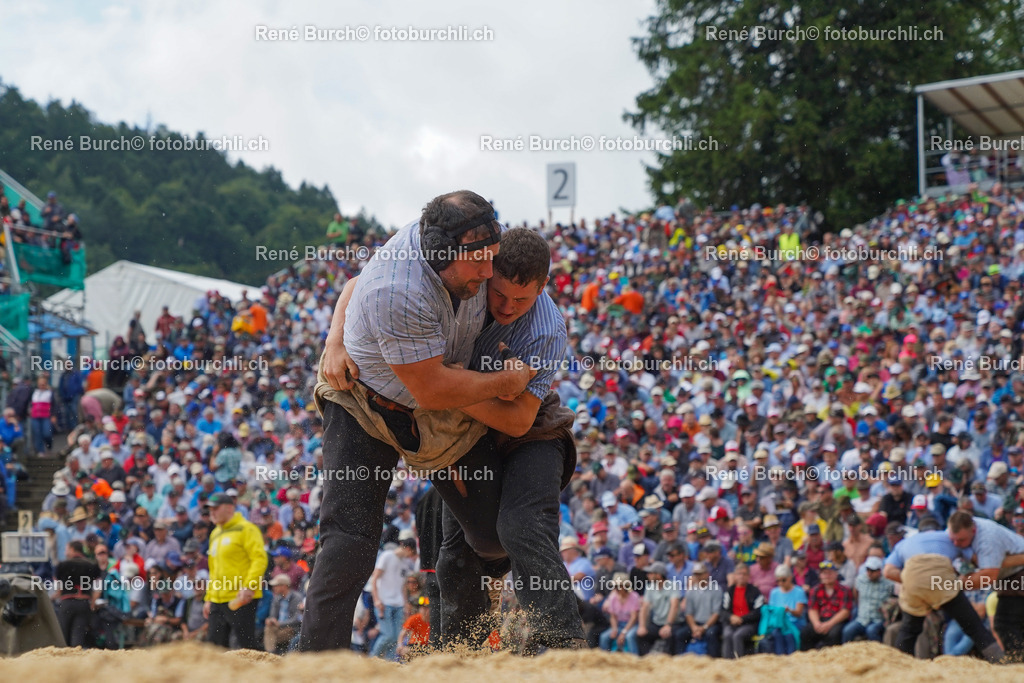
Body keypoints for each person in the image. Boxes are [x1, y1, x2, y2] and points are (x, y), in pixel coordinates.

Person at [298, 192, 532, 653]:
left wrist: (334, 336)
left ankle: (460, 651)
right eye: (477, 264)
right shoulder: (398, 286)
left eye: (492, 258)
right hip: (366, 399)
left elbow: (353, 284)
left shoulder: (454, 247)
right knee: (351, 538)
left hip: (441, 402)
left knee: (491, 534)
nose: (488, 273)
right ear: (441, 255)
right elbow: (433, 389)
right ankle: (316, 663)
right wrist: (503, 382)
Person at [882, 526, 1004, 662]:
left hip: (913, 577)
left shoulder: (904, 543)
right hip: (940, 578)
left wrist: (917, 582)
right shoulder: (952, 539)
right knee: (974, 627)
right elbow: (976, 561)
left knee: (909, 630)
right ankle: (1000, 660)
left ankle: (899, 666)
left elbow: (888, 572)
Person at [947, 511, 1024, 659]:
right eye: (953, 540)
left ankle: (1018, 663)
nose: (956, 544)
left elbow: (988, 576)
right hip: (1009, 575)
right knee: (1011, 623)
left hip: (1017, 574)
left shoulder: (988, 539)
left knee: (1005, 622)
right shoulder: (956, 532)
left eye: (961, 540)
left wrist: (956, 584)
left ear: (973, 530)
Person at [202, 492, 268, 650]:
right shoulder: (215, 533)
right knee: (214, 646)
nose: (212, 512)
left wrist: (249, 586)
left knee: (246, 644)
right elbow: (214, 569)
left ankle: (272, 670)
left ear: (230, 508)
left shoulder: (247, 529)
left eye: (215, 508)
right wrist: (208, 597)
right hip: (218, 598)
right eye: (210, 509)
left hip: (241, 597)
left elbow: (259, 559)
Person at [370, 538, 418, 660]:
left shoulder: (404, 563)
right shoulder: (387, 556)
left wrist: (406, 603)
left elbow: (402, 587)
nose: (409, 557)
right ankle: (372, 659)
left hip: (399, 604)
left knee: (396, 638)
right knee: (388, 635)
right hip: (384, 602)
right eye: (410, 553)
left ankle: (391, 664)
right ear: (408, 549)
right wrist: (376, 599)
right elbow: (375, 578)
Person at [53, 540, 102, 647]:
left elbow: (58, 587)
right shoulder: (92, 564)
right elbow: (98, 587)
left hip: (67, 602)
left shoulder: (62, 565)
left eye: (67, 550)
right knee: (78, 636)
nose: (66, 553)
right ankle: (76, 661)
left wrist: (56, 596)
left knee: (63, 635)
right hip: (83, 603)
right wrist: (93, 603)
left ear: (72, 549)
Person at [635, 562, 685, 655]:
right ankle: (647, 660)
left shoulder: (672, 586)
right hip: (657, 623)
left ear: (658, 575)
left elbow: (674, 606)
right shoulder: (650, 587)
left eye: (650, 573)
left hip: (673, 623)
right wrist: (642, 626)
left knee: (671, 636)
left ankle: (671, 662)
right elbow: (644, 608)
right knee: (641, 636)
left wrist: (668, 625)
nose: (647, 575)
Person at [801, 560, 852, 649]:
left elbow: (845, 612)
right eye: (824, 573)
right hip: (820, 619)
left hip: (837, 621)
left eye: (830, 573)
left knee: (834, 634)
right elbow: (812, 609)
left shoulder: (845, 590)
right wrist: (816, 623)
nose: (827, 576)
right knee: (805, 632)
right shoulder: (815, 590)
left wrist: (828, 624)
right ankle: (807, 658)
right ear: (820, 575)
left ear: (836, 574)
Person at [841, 556, 893, 643]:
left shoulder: (888, 584)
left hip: (878, 619)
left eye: (873, 570)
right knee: (847, 631)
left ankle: (879, 653)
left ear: (879, 571)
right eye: (868, 570)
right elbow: (856, 593)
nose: (869, 573)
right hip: (862, 618)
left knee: (872, 631)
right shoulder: (860, 580)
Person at [680, 561, 724, 656]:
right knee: (679, 634)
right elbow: (688, 613)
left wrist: (703, 628)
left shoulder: (716, 589)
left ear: (707, 574)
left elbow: (716, 613)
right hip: (696, 623)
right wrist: (694, 627)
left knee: (711, 634)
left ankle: (713, 660)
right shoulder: (690, 591)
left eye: (700, 574)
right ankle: (678, 660)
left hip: (711, 624)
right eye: (696, 574)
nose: (698, 577)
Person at [720, 561, 763, 658]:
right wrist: (731, 617)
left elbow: (757, 612)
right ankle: (727, 662)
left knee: (737, 635)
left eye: (744, 574)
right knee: (727, 635)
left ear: (748, 576)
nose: (742, 576)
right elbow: (723, 610)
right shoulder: (729, 591)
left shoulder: (755, 591)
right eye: (739, 574)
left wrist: (742, 619)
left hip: (749, 624)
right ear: (735, 576)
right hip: (732, 623)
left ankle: (739, 661)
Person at [766, 565, 807, 654]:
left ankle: (792, 657)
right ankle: (780, 659)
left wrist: (789, 611)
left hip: (795, 622)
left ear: (790, 578)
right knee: (777, 634)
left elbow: (799, 613)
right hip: (780, 623)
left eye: (783, 580)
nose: (780, 583)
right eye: (778, 580)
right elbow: (772, 611)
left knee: (789, 635)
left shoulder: (799, 591)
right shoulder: (774, 592)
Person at [599, 572, 641, 653]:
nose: (616, 589)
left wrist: (624, 632)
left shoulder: (634, 596)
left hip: (632, 625)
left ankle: (635, 659)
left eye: (618, 586)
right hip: (619, 624)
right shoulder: (613, 597)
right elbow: (613, 616)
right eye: (615, 586)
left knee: (629, 636)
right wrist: (614, 629)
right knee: (604, 637)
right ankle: (604, 658)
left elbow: (634, 617)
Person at [264, 574, 302, 654]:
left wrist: (280, 623)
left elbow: (297, 619)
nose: (273, 588)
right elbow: (272, 615)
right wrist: (270, 620)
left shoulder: (297, 598)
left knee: (269, 634)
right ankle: (271, 653)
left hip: (291, 629)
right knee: (269, 629)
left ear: (284, 586)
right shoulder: (277, 598)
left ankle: (270, 653)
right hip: (278, 628)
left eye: (276, 585)